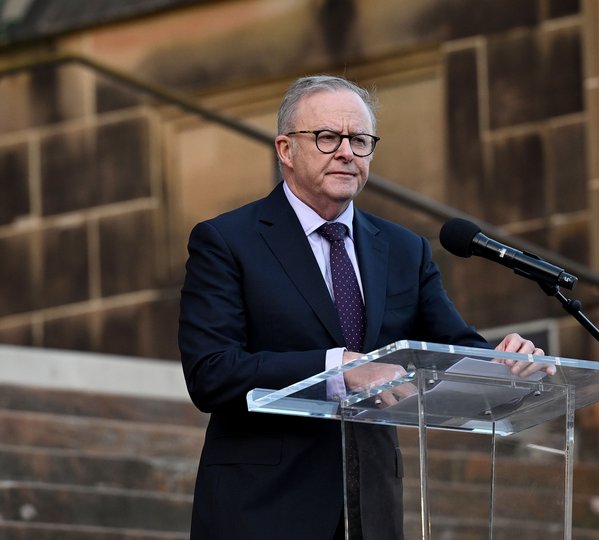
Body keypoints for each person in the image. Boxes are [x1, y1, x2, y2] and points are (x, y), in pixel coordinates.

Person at [178, 75, 546, 539]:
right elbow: (212, 372)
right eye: (328, 137)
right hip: (263, 506)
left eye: (360, 140)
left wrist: (508, 364)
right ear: (285, 150)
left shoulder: (403, 249)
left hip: (370, 507)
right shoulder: (228, 241)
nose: (347, 152)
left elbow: (455, 349)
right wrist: (338, 368)